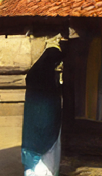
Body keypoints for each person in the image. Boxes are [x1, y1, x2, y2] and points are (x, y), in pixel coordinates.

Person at [21, 35, 65, 176]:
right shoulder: (45, 80)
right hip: (45, 123)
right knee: (46, 156)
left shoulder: (36, 75)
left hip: (33, 126)